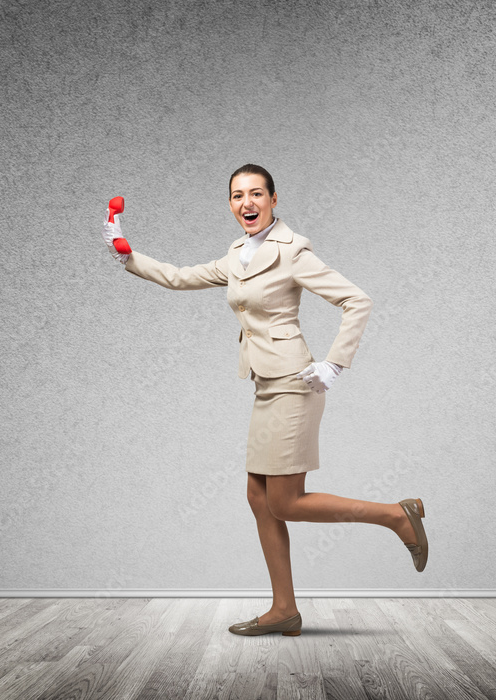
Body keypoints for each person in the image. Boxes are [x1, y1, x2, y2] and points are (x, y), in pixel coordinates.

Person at [102, 164, 428, 637]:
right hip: (264, 383)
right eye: (237, 196)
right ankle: (284, 609)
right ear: (230, 204)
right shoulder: (237, 254)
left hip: (295, 383)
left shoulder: (291, 250)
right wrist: (126, 254)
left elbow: (357, 300)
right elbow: (178, 276)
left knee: (285, 501)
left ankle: (397, 516)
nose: (247, 203)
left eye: (256, 194)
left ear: (275, 199)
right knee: (259, 498)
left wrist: (334, 362)